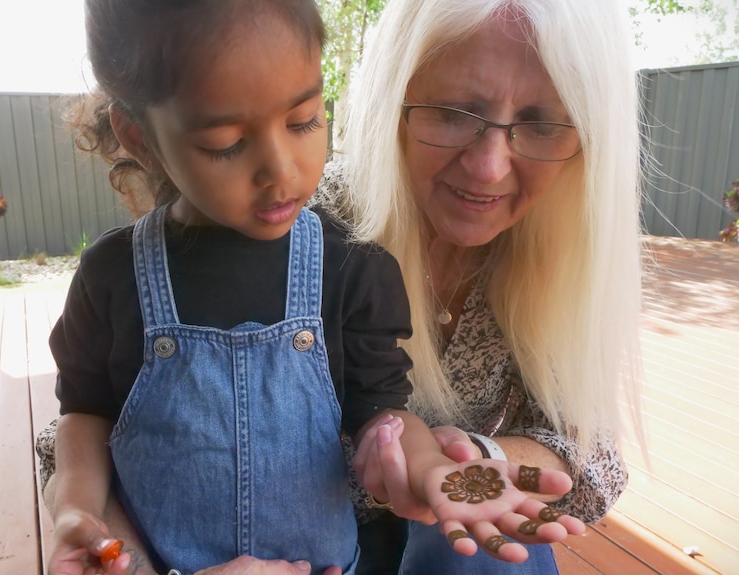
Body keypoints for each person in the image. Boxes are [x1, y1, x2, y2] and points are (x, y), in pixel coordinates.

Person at [41, 1, 585, 575]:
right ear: (140, 137)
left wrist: (426, 469)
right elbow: (85, 414)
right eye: (225, 142)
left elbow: (384, 414)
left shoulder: (350, 267)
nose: (282, 169)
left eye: (303, 120)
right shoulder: (113, 275)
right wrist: (77, 509)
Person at [323, 0, 645, 572]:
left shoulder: (559, 245)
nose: (490, 168)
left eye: (542, 125)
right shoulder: (305, 229)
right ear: (392, 101)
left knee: (489, 544)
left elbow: (593, 458)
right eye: (452, 112)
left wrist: (479, 458)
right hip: (310, 546)